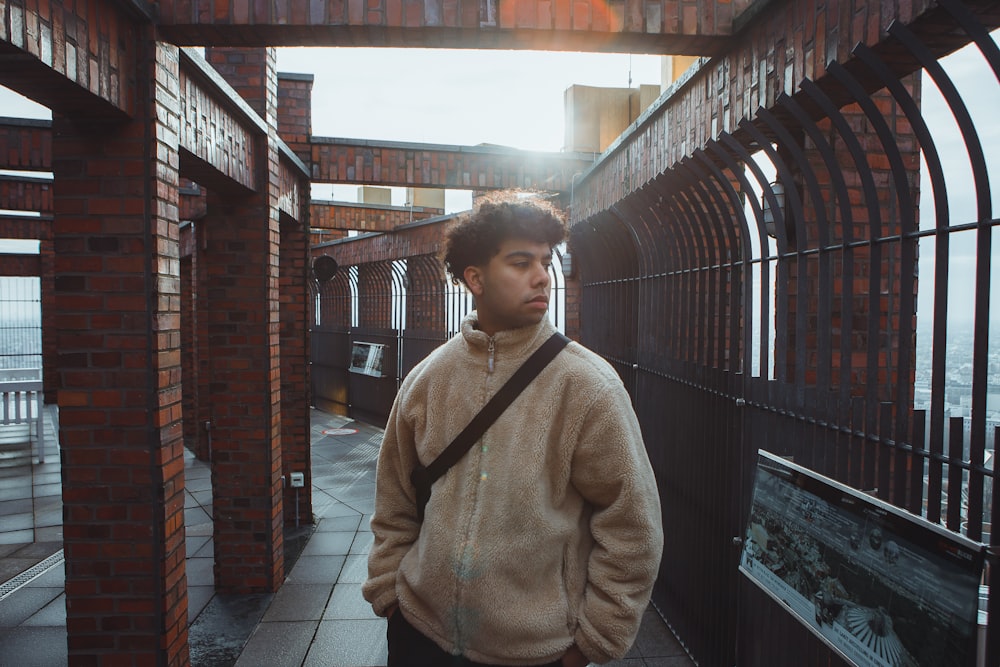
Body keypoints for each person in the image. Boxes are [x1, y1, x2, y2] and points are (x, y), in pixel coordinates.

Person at [362, 190, 664, 667]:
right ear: (475, 278)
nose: (542, 275)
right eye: (521, 262)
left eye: (546, 261)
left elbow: (633, 526)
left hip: (534, 652)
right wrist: (390, 593)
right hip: (419, 632)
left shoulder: (587, 385)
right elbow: (393, 498)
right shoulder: (428, 379)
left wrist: (593, 642)